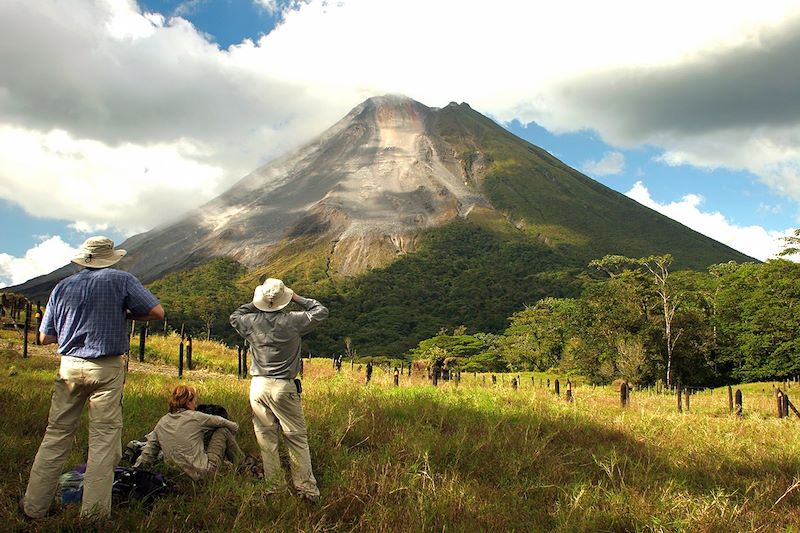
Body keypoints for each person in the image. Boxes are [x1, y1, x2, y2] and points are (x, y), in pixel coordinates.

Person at [22, 236, 164, 520]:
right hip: (106, 368)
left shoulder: (62, 287)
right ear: (111, 257)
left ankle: (34, 507)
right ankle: (94, 516)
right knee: (103, 440)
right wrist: (123, 313)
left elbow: (44, 337)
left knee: (56, 435)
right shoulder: (121, 280)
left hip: (69, 367)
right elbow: (157, 312)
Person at [229, 278, 328, 501]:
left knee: (266, 439)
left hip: (258, 385)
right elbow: (320, 310)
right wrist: (297, 298)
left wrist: (256, 303)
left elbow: (234, 316)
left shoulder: (251, 321)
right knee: (296, 438)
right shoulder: (293, 321)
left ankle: (275, 489)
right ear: (286, 299)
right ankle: (306, 491)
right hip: (283, 385)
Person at [134, 385, 243, 479]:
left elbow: (148, 452)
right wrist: (234, 431)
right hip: (203, 474)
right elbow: (223, 422)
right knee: (223, 430)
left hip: (175, 475)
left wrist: (135, 470)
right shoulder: (196, 417)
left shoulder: (162, 422)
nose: (195, 405)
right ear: (188, 402)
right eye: (194, 401)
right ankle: (244, 466)